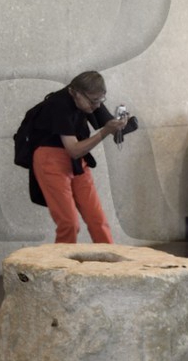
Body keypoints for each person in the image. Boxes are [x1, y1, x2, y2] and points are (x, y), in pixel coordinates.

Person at [27, 70, 128, 244]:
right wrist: (105, 131)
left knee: (98, 220)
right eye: (93, 101)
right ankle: (62, 268)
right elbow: (73, 149)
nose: (97, 106)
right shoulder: (58, 105)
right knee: (69, 223)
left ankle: (111, 265)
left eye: (100, 100)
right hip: (50, 158)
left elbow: (108, 125)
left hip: (77, 160)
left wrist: (121, 125)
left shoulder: (88, 99)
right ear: (76, 93)